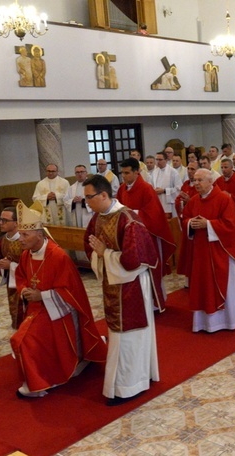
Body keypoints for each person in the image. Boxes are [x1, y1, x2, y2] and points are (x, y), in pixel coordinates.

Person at [11, 200, 106, 398]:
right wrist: (24, 290)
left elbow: (69, 292)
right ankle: (38, 375)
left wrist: (42, 295)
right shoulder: (26, 255)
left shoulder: (58, 256)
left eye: (25, 234)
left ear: (39, 234)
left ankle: (43, 380)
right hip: (37, 309)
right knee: (19, 339)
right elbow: (20, 277)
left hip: (58, 310)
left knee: (27, 341)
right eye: (20, 234)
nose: (20, 239)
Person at [82, 175, 160, 406]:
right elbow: (89, 244)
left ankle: (129, 385)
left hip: (131, 284)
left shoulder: (128, 220)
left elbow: (133, 262)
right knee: (118, 336)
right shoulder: (98, 218)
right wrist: (101, 254)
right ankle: (125, 381)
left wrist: (104, 253)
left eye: (89, 197)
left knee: (128, 337)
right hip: (113, 282)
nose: (87, 202)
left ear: (104, 195)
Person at [182, 169, 235, 332]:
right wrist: (191, 223)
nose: (195, 183)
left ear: (211, 182)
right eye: (194, 180)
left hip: (221, 251)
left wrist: (208, 225)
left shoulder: (224, 199)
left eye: (200, 180)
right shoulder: (194, 200)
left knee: (222, 284)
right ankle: (203, 323)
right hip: (200, 252)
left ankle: (227, 321)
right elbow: (186, 218)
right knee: (202, 285)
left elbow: (231, 225)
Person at [116, 157, 174, 310]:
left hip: (148, 237)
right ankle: (139, 303)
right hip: (129, 238)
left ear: (137, 172)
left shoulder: (146, 188)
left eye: (127, 173)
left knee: (149, 271)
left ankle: (155, 304)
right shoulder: (122, 189)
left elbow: (153, 215)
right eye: (122, 173)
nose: (124, 176)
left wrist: (130, 213)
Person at [0, 206, 23, 329]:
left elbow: (33, 265)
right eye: (0, 219)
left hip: (26, 285)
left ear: (16, 223)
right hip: (11, 284)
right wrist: (2, 266)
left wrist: (11, 266)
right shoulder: (1, 242)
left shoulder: (25, 240)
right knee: (14, 307)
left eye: (5, 220)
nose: (0, 223)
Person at [151, 151, 183, 218]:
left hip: (169, 204)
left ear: (166, 160)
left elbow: (179, 189)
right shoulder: (154, 172)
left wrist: (164, 190)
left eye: (160, 159)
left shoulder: (173, 172)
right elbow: (151, 186)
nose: (158, 162)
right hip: (157, 202)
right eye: (156, 159)